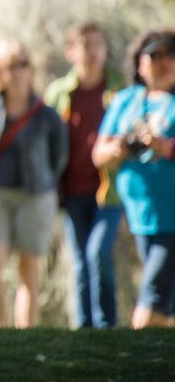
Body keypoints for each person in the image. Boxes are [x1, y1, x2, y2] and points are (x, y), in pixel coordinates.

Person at [0, 39, 67, 328]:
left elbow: (59, 155)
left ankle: (26, 332)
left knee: (29, 266)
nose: (19, 70)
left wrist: (45, 181)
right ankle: (0, 328)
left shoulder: (46, 114)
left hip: (35, 195)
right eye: (11, 65)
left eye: (24, 63)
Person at [92, 29, 175, 329]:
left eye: (171, 55)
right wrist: (118, 148)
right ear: (139, 64)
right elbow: (97, 154)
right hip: (141, 216)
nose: (164, 62)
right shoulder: (126, 100)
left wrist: (165, 146)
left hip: (173, 219)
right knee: (166, 309)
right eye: (155, 55)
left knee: (151, 302)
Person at [43, 22, 123, 329]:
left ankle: (107, 325)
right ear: (71, 51)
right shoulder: (58, 93)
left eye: (98, 44)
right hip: (71, 190)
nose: (92, 52)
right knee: (79, 262)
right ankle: (84, 328)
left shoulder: (119, 91)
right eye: (85, 45)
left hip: (110, 190)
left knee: (97, 254)